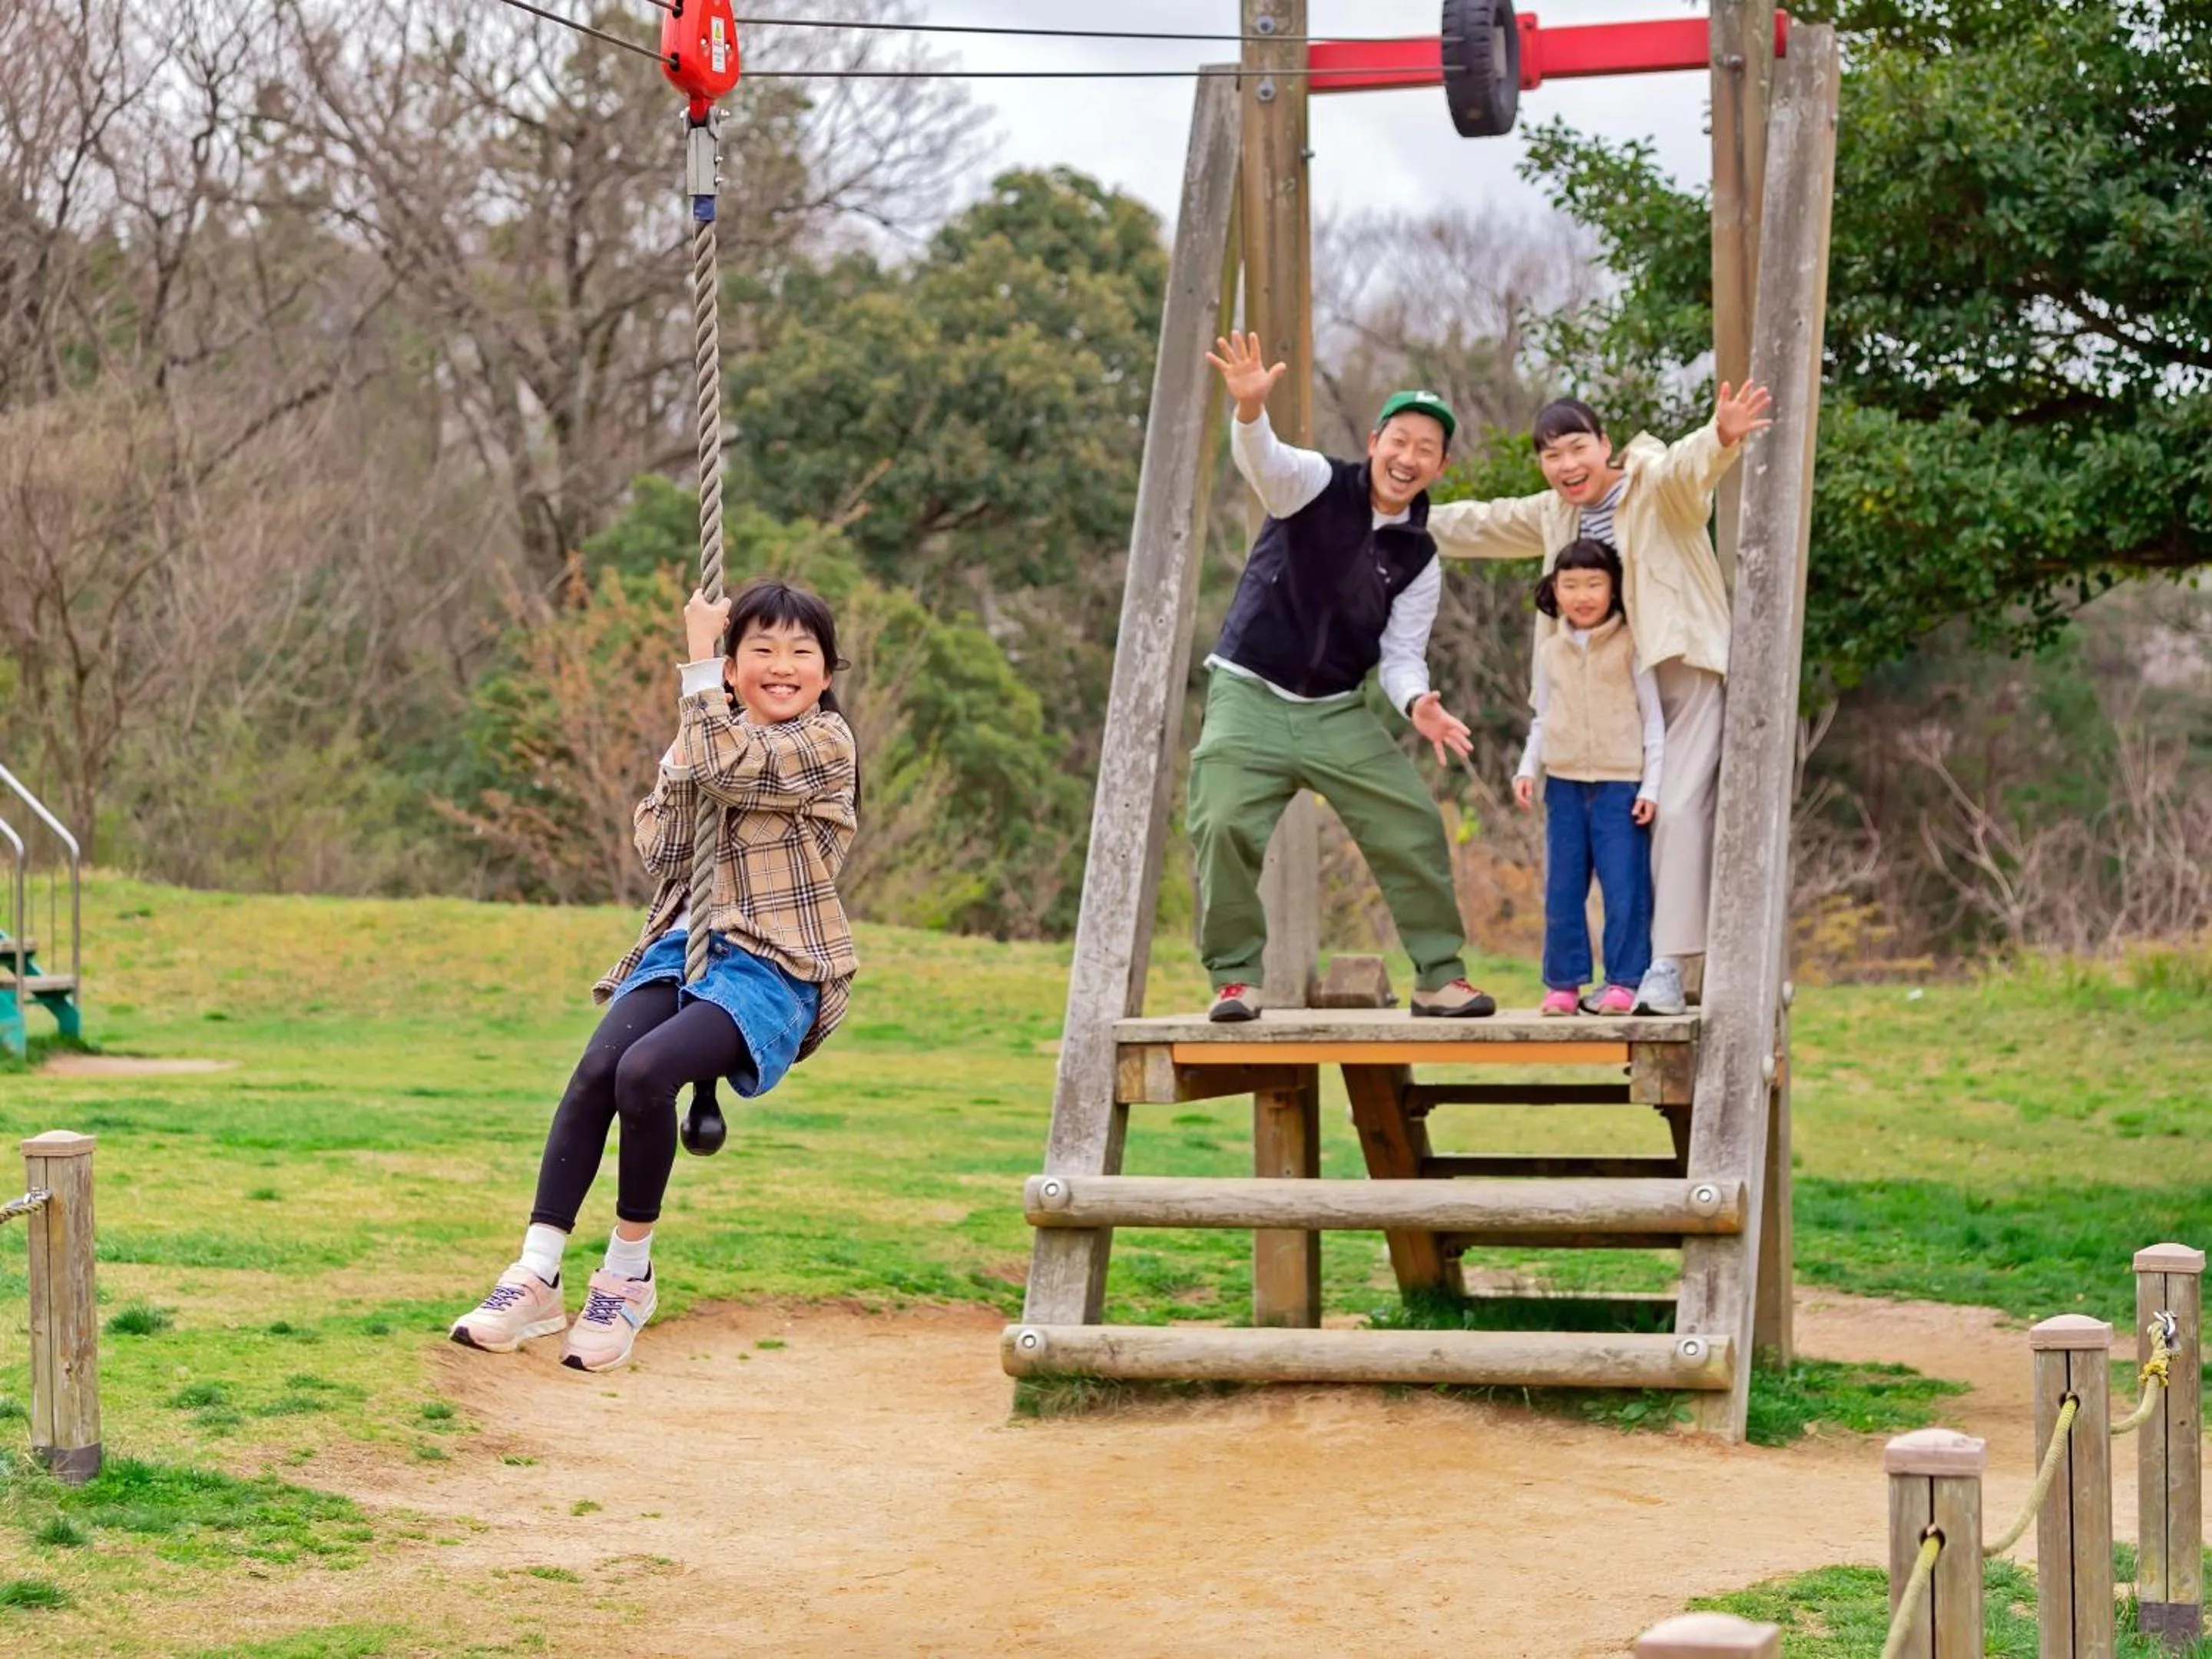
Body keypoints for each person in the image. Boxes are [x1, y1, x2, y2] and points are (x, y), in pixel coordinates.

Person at [449, 578, 859, 1373]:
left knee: (645, 1075)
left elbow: (734, 766)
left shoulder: (823, 744)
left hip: (775, 963)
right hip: (682, 945)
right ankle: (537, 1272)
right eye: (760, 651)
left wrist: (699, 666)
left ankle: (628, 1278)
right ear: (735, 672)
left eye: (801, 652)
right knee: (597, 1071)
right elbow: (662, 855)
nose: (782, 666)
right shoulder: (707, 730)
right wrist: (682, 752)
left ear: (827, 672)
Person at [1428, 382, 1773, 1014]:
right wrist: (1389, 511)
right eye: (1552, 455)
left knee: (1673, 813)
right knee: (1609, 838)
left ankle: (1667, 968)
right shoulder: (1553, 513)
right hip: (1604, 694)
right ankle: (1619, 973)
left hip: (1677, 669)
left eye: (1578, 448)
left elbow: (1691, 468)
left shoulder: (1653, 485)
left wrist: (1721, 434)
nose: (1567, 466)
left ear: (1606, 445)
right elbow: (1481, 519)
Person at [1191, 332, 1494, 1022]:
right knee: (1222, 820)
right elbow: (1262, 462)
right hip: (1249, 691)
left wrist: (1419, 702)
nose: (1408, 457)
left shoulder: (1420, 556)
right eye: (1400, 440)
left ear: (1440, 466)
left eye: (1426, 449)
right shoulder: (1316, 484)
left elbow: (1402, 654)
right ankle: (1237, 978)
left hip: (1335, 710)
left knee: (1412, 820)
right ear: (1375, 440)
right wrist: (1248, 410)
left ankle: (1440, 978)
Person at [1512, 539, 1663, 1016]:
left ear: (1614, 588)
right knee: (1562, 888)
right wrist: (1526, 768)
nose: (1582, 595)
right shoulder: (1551, 651)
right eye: (1570, 585)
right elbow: (1543, 717)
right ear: (1554, 590)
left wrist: (1651, 786)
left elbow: (1653, 721)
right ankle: (1563, 984)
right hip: (1564, 784)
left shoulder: (1631, 645)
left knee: (1625, 888)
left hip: (1622, 786)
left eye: (1594, 584)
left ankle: (1625, 980)